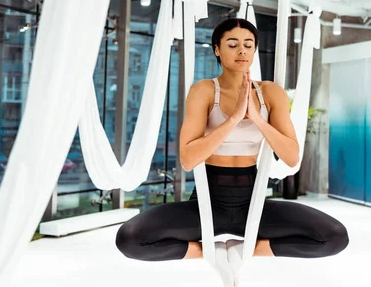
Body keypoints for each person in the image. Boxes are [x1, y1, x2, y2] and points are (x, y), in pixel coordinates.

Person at [115, 18, 349, 285]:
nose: (242, 51)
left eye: (249, 45)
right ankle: (209, 252)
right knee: (130, 239)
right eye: (233, 44)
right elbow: (189, 159)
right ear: (217, 49)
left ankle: (244, 248)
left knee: (334, 236)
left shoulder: (270, 93)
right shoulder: (203, 90)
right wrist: (234, 119)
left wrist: (257, 119)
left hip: (253, 201)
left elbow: (291, 156)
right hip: (207, 201)